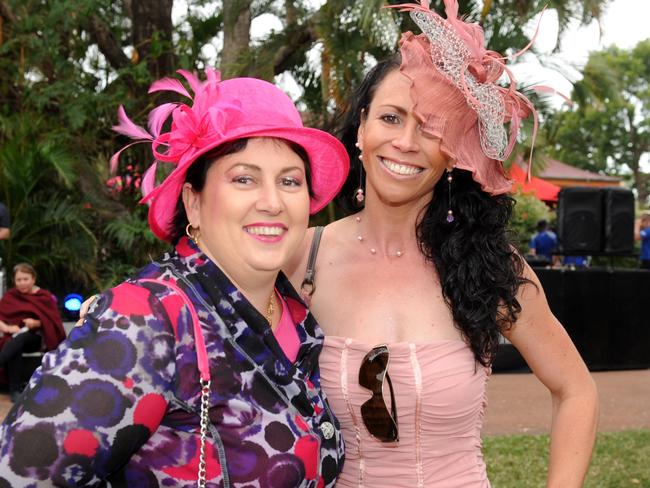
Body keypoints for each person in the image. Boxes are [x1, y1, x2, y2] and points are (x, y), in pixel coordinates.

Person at [285, 2, 598, 486]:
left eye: (432, 128)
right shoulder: (297, 257)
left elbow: (576, 389)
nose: (407, 142)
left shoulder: (490, 265)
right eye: (391, 118)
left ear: (455, 153)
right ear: (361, 128)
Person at [0, 70, 348, 487]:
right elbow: (20, 476)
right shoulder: (147, 319)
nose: (273, 202)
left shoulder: (296, 315)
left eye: (290, 181)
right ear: (193, 202)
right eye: (244, 178)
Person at [0, 263, 65, 402]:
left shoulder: (44, 297)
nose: (22, 283)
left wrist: (37, 323)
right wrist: (8, 328)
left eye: (25, 279)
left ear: (33, 279)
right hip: (13, 338)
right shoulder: (11, 296)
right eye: (19, 280)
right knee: (15, 345)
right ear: (14, 281)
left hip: (36, 338)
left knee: (20, 339)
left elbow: (54, 322)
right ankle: (14, 390)